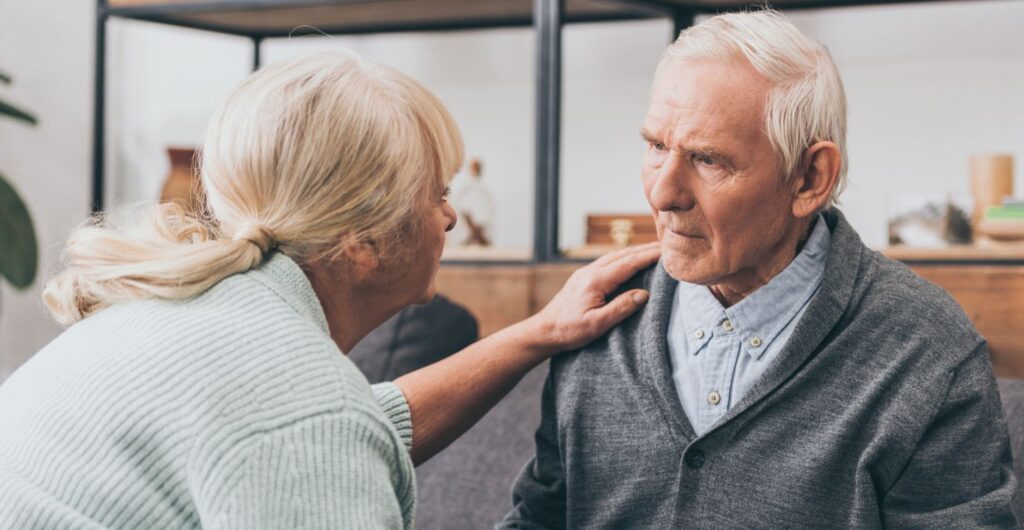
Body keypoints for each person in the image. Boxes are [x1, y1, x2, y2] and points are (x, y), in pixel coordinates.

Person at [0, 51, 660, 529]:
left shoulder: (188, 314)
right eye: (436, 194)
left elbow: (353, 425)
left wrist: (537, 333)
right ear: (362, 241)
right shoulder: (303, 412)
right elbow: (317, 432)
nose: (451, 218)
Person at [501, 10, 1019, 528]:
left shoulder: (927, 350)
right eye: (656, 146)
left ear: (809, 178)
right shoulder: (598, 317)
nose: (662, 194)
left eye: (708, 159)